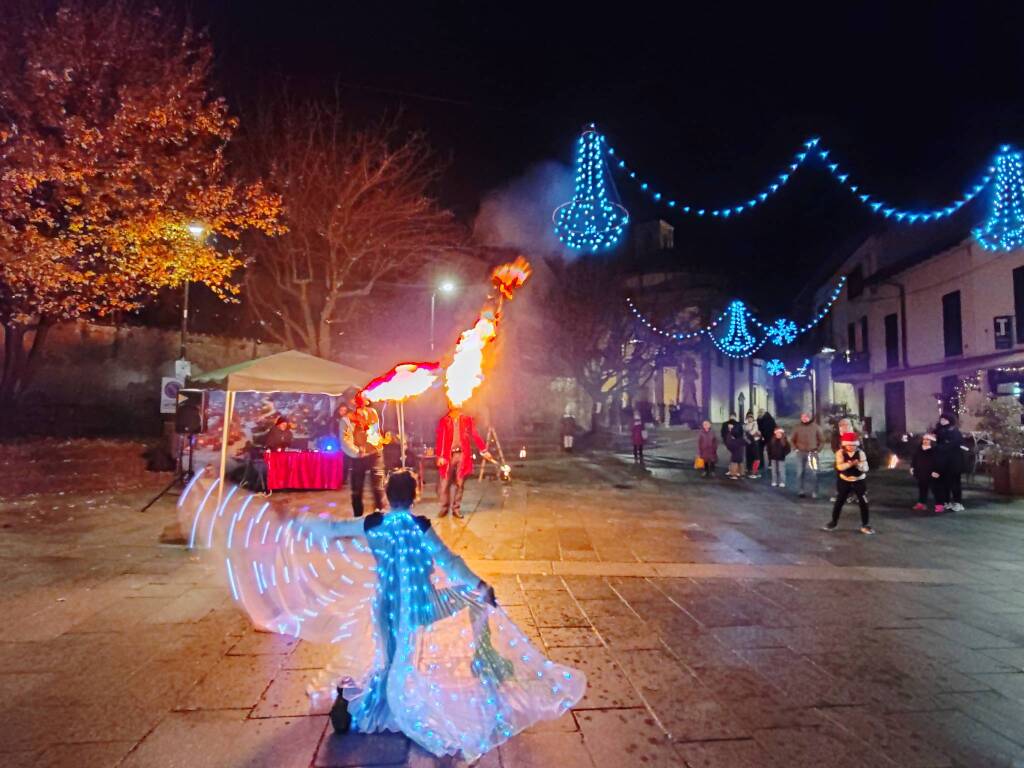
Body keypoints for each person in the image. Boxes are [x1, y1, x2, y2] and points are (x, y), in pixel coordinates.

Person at [179, 469, 586, 762]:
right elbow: (453, 563)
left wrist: (292, 522)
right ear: (416, 493)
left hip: (388, 609)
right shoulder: (421, 526)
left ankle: (374, 700)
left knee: (394, 660)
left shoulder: (373, 524)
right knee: (468, 605)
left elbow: (330, 531)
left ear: (389, 495)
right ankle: (469, 664)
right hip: (424, 607)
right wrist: (481, 587)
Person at [339, 388, 387, 517]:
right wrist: (356, 452)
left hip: (375, 454)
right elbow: (345, 441)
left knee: (378, 487)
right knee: (357, 489)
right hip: (358, 457)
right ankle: (358, 517)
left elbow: (375, 431)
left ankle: (380, 515)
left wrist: (378, 442)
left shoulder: (373, 412)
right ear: (351, 402)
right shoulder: (346, 420)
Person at [435, 405, 489, 518]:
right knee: (444, 483)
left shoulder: (466, 419)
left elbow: (475, 434)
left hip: (462, 455)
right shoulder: (444, 421)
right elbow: (440, 438)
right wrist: (440, 456)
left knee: (460, 483)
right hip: (447, 456)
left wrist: (483, 450)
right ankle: (444, 508)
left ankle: (456, 509)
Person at [824, 432, 875, 534]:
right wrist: (849, 464)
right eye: (848, 445)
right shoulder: (840, 453)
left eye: (853, 445)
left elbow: (866, 467)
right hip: (845, 480)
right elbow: (840, 467)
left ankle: (865, 524)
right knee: (839, 501)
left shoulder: (861, 453)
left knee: (863, 502)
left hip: (859, 480)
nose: (851, 447)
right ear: (844, 444)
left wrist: (858, 465)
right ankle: (833, 522)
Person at [936, 412, 966, 512]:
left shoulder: (954, 431)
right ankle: (946, 502)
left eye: (945, 419)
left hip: (954, 461)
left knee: (955, 482)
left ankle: (958, 503)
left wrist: (941, 446)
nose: (942, 421)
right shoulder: (940, 431)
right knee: (944, 483)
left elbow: (952, 445)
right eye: (941, 419)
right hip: (943, 462)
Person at [911, 433, 945, 513]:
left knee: (936, 490)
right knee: (922, 489)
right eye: (924, 439)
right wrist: (912, 467)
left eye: (927, 440)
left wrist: (937, 471)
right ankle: (921, 503)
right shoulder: (919, 449)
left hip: (932, 473)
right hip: (921, 473)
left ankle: (939, 506)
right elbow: (914, 459)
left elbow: (940, 462)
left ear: (932, 441)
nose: (925, 441)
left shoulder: (935, 451)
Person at [791, 412, 823, 498]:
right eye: (802, 417)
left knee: (814, 473)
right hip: (800, 453)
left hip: (812, 452)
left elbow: (822, 440)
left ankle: (815, 491)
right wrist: (795, 449)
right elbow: (792, 440)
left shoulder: (816, 427)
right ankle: (801, 490)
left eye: (806, 417)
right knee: (800, 472)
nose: (804, 418)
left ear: (809, 418)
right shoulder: (797, 427)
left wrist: (818, 450)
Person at [743, 412, 763, 478]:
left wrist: (748, 432)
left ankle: (754, 471)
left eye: (751, 418)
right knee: (749, 456)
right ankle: (750, 470)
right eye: (748, 418)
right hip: (748, 443)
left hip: (755, 442)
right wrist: (748, 436)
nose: (750, 419)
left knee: (756, 457)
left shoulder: (755, 424)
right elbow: (744, 434)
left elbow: (753, 432)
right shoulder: (745, 425)